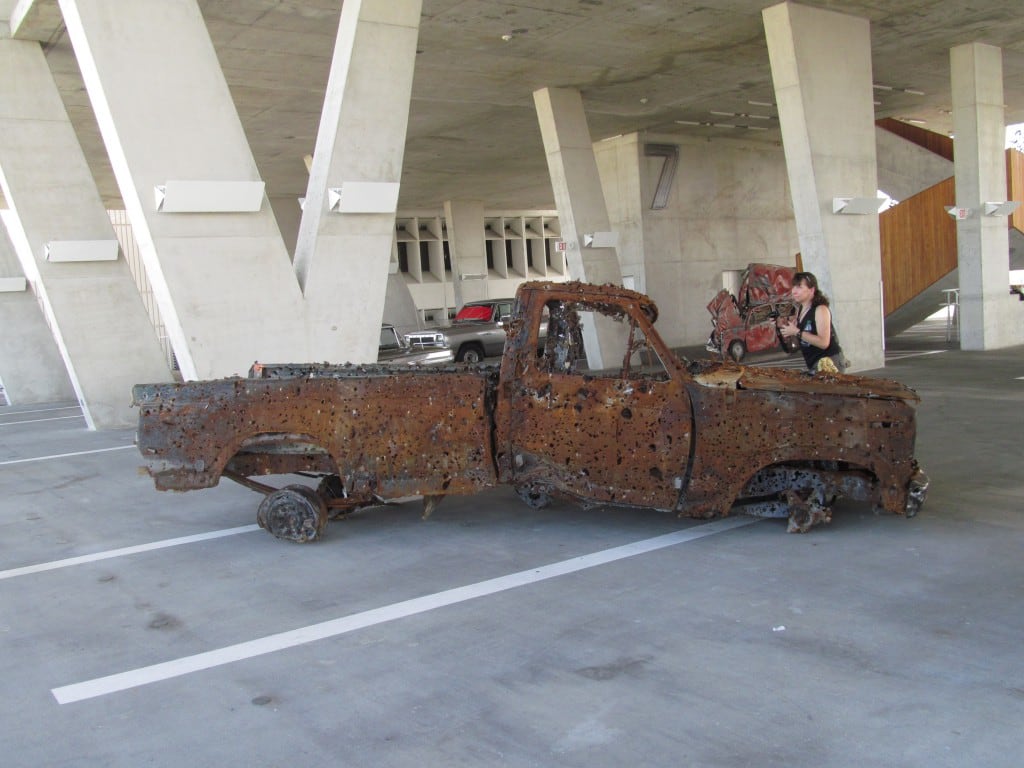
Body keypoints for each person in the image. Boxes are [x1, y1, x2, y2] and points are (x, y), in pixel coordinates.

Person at [778, 271, 846, 373]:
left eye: (799, 287)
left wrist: (797, 332)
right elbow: (795, 346)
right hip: (814, 363)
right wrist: (780, 327)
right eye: (794, 287)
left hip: (830, 362)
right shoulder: (800, 310)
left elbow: (823, 343)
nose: (794, 291)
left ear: (811, 290)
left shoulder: (820, 310)